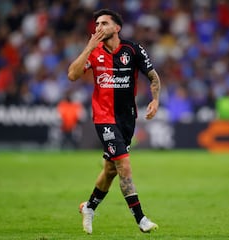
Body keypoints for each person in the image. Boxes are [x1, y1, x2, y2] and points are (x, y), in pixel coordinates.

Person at [68, 9, 161, 234]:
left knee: (110, 169)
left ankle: (89, 207)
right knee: (124, 165)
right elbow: (72, 74)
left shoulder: (133, 49)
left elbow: (153, 76)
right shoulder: (94, 52)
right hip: (104, 117)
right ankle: (141, 219)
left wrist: (155, 100)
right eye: (96, 24)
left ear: (117, 28)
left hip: (127, 118)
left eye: (104, 23)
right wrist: (89, 47)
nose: (98, 27)